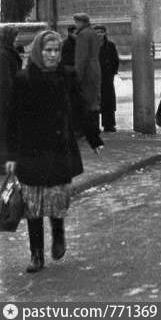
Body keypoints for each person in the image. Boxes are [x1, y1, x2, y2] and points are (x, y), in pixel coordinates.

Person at [5, 30, 104, 273]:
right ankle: (36, 254)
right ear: (39, 52)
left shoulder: (68, 76)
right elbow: (13, 119)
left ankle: (58, 234)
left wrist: (94, 138)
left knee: (57, 200)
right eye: (48, 50)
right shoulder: (23, 79)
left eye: (57, 50)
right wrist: (11, 156)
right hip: (31, 150)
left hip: (59, 148)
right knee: (32, 205)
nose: (53, 55)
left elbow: (81, 108)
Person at [73, 13, 101, 132]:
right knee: (94, 99)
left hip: (87, 70)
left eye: (76, 22)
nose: (75, 24)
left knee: (85, 99)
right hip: (95, 67)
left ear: (81, 22)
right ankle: (95, 128)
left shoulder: (83, 35)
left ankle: (85, 130)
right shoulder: (92, 32)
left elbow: (81, 57)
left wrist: (77, 76)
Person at [0, 26, 22, 173]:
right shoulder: (3, 54)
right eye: (15, 36)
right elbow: (5, 82)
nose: (18, 39)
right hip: (6, 100)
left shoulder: (7, 51)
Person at [93, 25, 120, 133]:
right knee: (95, 101)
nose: (99, 34)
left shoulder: (110, 45)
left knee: (108, 101)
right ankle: (94, 125)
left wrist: (112, 73)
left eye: (101, 32)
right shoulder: (91, 46)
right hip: (94, 76)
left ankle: (109, 124)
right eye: (97, 32)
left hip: (107, 77)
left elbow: (115, 60)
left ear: (104, 33)